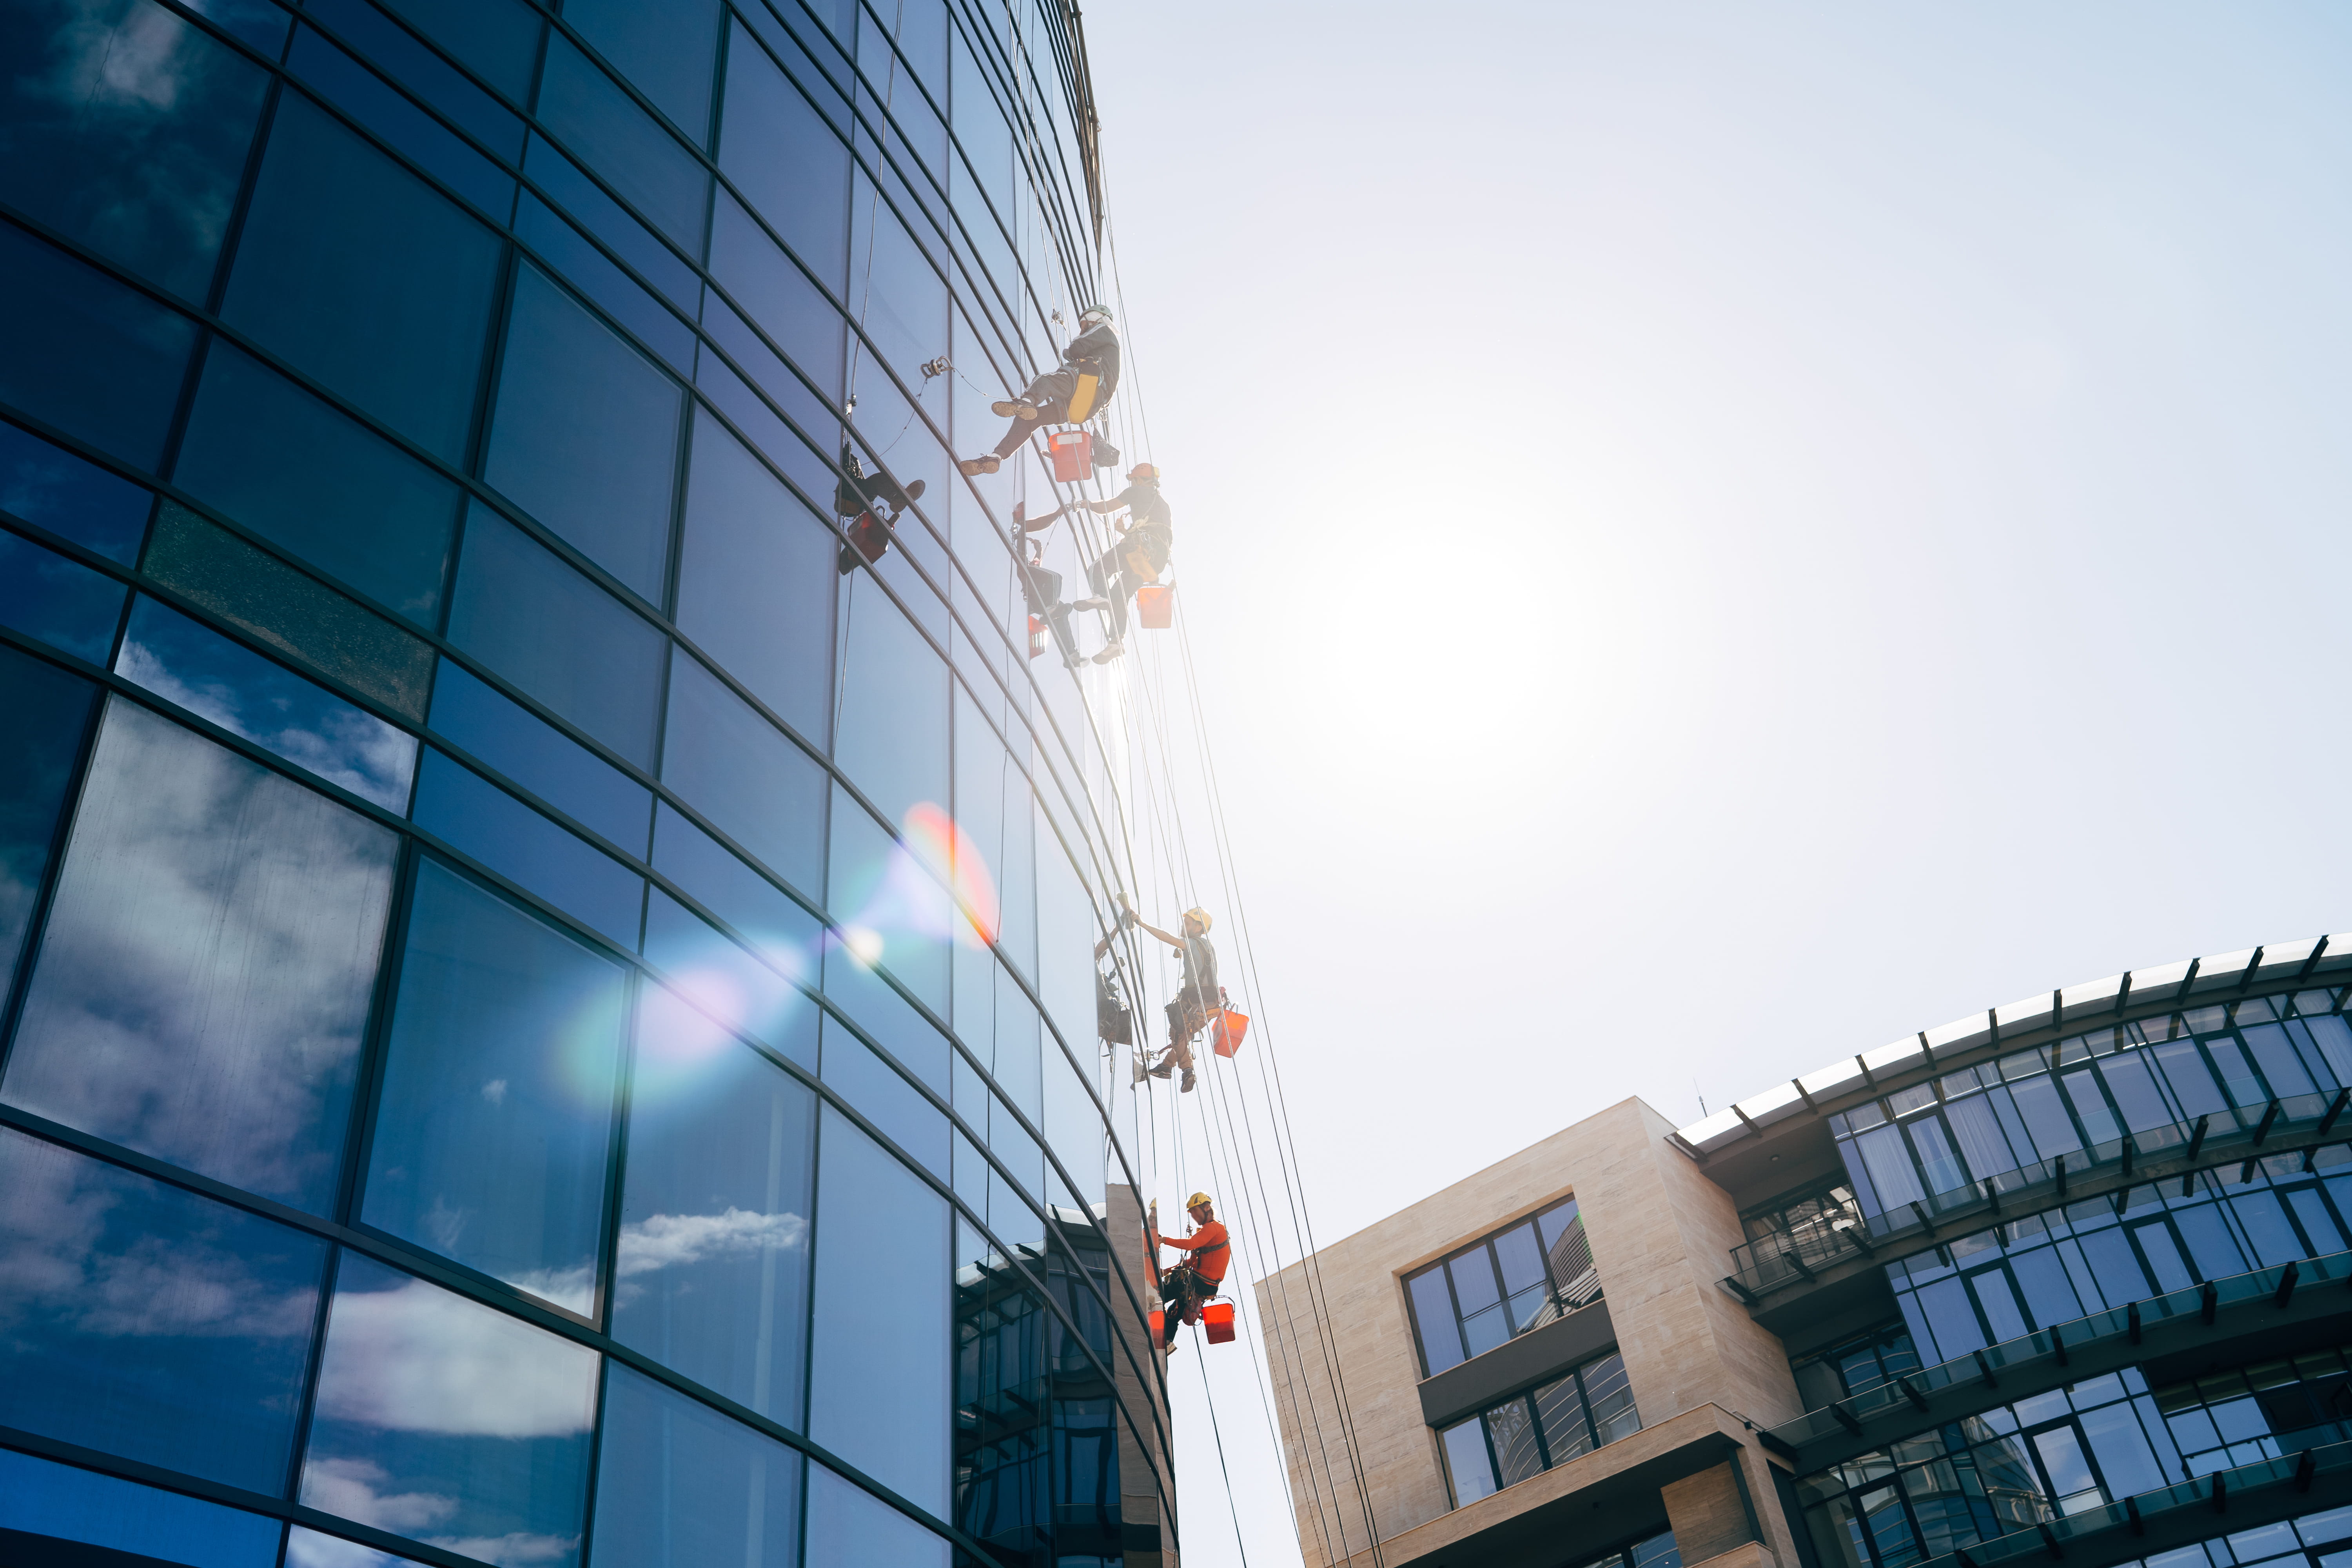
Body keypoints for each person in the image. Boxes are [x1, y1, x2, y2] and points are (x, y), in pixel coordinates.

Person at [1020, 464, 1171, 664]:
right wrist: (1125, 532)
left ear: (1139, 480)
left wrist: (1088, 504)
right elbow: (1157, 533)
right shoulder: (1162, 504)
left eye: (1133, 479)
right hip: (1155, 561)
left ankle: (1099, 595)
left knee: (1097, 569)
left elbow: (1107, 507)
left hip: (1140, 550)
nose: (1132, 482)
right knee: (1118, 595)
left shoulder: (1136, 491)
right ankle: (1116, 642)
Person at [958, 306, 1121, 475]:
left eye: (1085, 325)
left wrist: (1069, 352)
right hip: (1088, 406)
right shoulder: (1110, 348)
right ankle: (996, 457)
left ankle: (1026, 402)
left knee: (1044, 381)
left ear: (1096, 318)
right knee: (1028, 421)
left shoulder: (1103, 329)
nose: (1083, 329)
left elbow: (1077, 348)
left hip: (1088, 380)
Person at [1124, 894, 1216, 1093]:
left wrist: (1141, 923)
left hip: (1195, 1004)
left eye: (1189, 923)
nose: (1185, 927)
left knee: (1178, 1032)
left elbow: (1167, 937)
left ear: (1200, 928)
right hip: (1211, 1006)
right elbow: (1202, 967)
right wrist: (1181, 952)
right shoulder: (1207, 947)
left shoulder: (1192, 944)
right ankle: (1166, 1067)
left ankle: (1187, 1071)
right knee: (1180, 1037)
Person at [1151, 1192, 1230, 1352]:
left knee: (1166, 1288)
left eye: (1195, 1212)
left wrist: (1164, 1240)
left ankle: (1151, 1298)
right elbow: (1191, 1261)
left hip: (1200, 1282)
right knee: (1175, 1312)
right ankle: (1167, 1342)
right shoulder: (1208, 1233)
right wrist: (1165, 1271)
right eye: (1192, 1213)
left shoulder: (1215, 1228)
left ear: (1207, 1208)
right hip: (1202, 1286)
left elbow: (1191, 1244)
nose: (1193, 1216)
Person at [833, 443, 926, 573]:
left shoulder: (855, 467)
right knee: (878, 481)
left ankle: (897, 497)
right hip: (848, 495)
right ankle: (896, 496)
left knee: (876, 489)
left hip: (856, 499)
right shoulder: (845, 461)